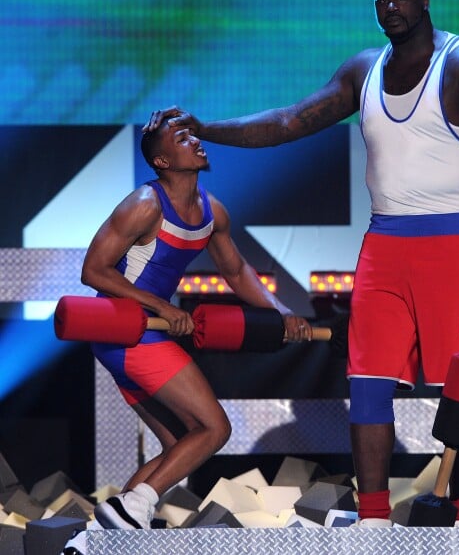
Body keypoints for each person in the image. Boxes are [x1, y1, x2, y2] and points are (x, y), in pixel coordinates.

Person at [143, 0, 459, 527]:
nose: (391, 7)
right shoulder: (363, 71)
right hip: (385, 243)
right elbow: (287, 122)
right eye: (382, 0)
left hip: (454, 241)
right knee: (367, 379)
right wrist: (207, 129)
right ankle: (374, 519)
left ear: (424, 1)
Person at [62, 117, 313, 553]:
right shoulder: (144, 204)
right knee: (214, 428)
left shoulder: (212, 211)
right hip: (130, 331)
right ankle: (132, 508)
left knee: (181, 445)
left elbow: (235, 271)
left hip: (141, 335)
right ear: (162, 160)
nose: (196, 140)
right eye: (182, 139)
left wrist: (282, 312)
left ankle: (94, 543)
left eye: (192, 134)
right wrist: (161, 306)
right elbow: (93, 271)